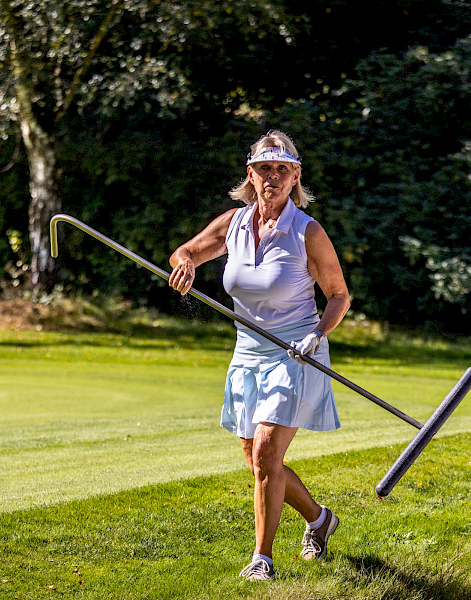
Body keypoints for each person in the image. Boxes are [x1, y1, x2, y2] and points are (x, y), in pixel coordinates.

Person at [168, 130, 351, 581]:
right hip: (247, 354)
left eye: (282, 170)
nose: (273, 177)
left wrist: (316, 335)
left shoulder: (307, 231)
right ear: (250, 174)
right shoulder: (233, 223)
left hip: (296, 353)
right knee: (256, 460)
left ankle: (261, 560)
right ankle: (320, 519)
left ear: (295, 178)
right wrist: (186, 262)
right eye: (264, 169)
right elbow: (187, 250)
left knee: (267, 454)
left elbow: (338, 296)